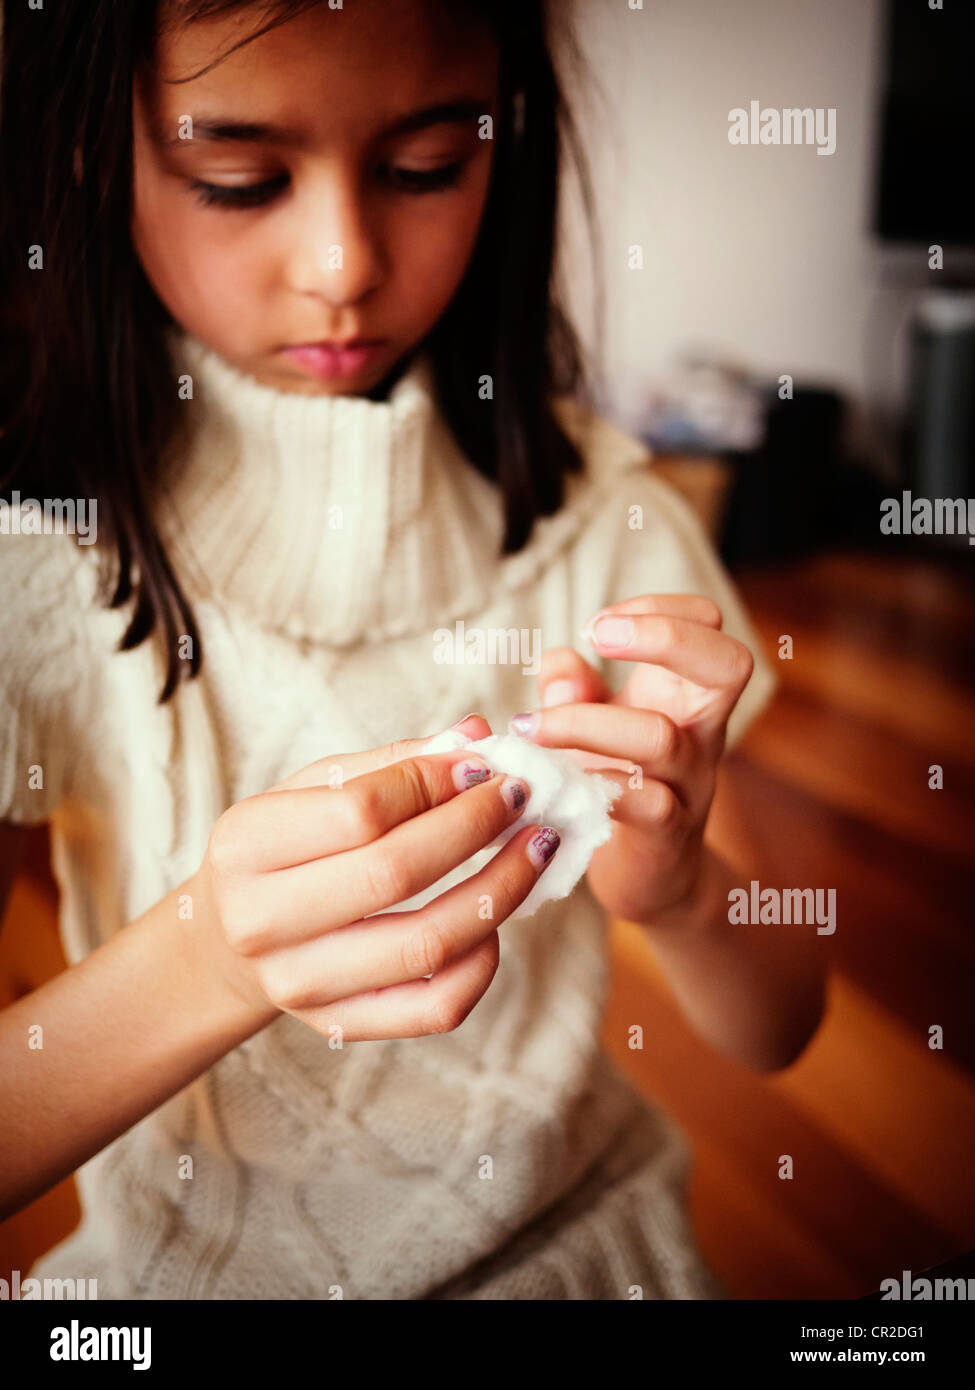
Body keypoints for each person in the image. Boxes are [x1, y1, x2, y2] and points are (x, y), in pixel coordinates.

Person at [0, 0, 825, 1299]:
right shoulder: (34, 559)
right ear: (98, 150)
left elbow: (785, 1019)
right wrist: (213, 957)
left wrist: (680, 888)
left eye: (426, 167)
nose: (342, 261)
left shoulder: (601, 520)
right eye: (239, 179)